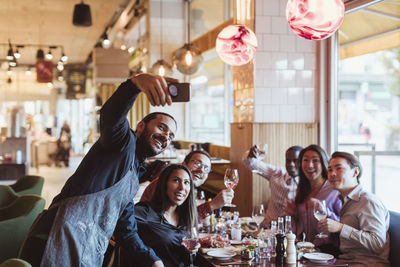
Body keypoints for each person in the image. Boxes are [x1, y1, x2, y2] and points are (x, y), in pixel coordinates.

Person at [19, 73, 178, 267]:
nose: (166, 137)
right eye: (161, 128)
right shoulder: (122, 142)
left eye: (171, 136)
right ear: (141, 126)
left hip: (85, 247)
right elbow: (111, 115)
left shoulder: (133, 175)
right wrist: (135, 84)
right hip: (55, 237)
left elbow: (126, 229)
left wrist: (152, 259)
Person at [319, 151, 390, 266]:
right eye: (330, 169)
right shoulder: (345, 200)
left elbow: (377, 243)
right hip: (345, 262)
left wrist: (341, 228)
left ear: (355, 172)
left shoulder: (368, 201)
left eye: (338, 168)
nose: (332, 174)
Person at [121, 164, 197, 267]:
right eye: (176, 180)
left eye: (186, 182)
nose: (182, 187)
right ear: (164, 183)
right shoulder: (145, 213)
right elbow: (122, 229)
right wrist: (151, 258)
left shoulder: (186, 217)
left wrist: (191, 252)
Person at [140, 150, 234, 219]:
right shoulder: (168, 183)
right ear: (184, 164)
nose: (201, 170)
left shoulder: (188, 188)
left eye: (206, 168)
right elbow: (181, 220)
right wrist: (213, 205)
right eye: (197, 163)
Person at [287, 144, 341, 249]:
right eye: (305, 160)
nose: (310, 165)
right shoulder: (301, 189)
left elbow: (343, 225)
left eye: (315, 161)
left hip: (328, 251)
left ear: (324, 163)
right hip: (305, 249)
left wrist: (326, 212)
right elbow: (297, 227)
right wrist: (292, 215)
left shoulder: (334, 190)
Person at [242, 145, 303, 226]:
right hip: (268, 227)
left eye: (296, 161)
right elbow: (249, 163)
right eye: (288, 160)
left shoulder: (308, 184)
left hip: (292, 231)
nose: (291, 164)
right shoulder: (276, 173)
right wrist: (251, 154)